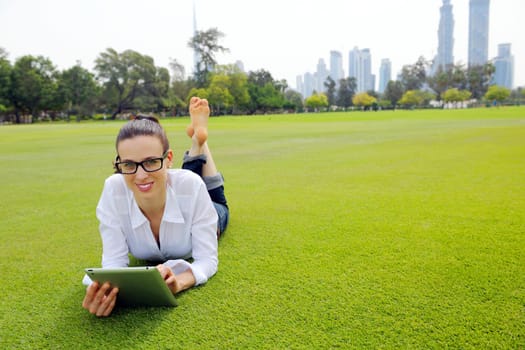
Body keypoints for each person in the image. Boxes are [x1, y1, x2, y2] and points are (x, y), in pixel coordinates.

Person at [82, 97, 228, 317]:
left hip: (210, 209)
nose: (140, 175)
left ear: (168, 158)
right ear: (119, 163)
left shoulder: (190, 186)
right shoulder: (113, 190)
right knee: (175, 180)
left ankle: (200, 141)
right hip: (175, 182)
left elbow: (207, 260)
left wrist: (179, 282)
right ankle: (196, 142)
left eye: (151, 161)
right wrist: (106, 292)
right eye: (129, 164)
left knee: (216, 199)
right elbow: (114, 264)